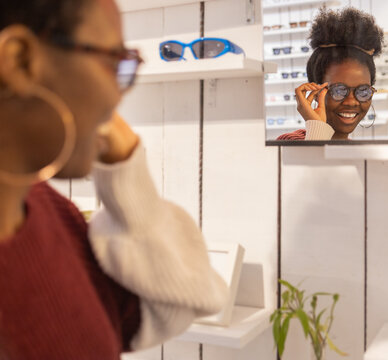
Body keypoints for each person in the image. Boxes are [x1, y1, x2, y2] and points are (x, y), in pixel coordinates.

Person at [0, 0, 228, 359]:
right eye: (114, 62)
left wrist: (126, 172)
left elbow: (178, 306)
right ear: (19, 60)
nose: (121, 92)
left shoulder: (51, 212)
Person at [277, 7, 384, 140]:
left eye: (363, 91)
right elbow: (311, 159)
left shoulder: (356, 152)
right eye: (338, 90)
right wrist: (316, 126)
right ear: (316, 91)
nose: (351, 102)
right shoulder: (291, 143)